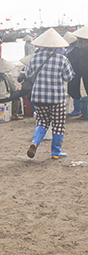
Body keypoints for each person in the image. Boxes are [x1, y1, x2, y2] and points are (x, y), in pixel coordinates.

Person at [24, 28, 74, 159]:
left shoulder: (34, 58)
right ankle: (56, 152)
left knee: (41, 122)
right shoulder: (62, 59)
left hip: (38, 96)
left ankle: (34, 143)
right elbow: (69, 77)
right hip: (57, 97)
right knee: (58, 124)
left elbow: (28, 75)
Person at [66, 26, 88, 116]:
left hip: (84, 70)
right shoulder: (76, 47)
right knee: (73, 89)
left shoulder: (79, 47)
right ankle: (79, 109)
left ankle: (80, 109)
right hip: (76, 70)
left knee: (85, 88)